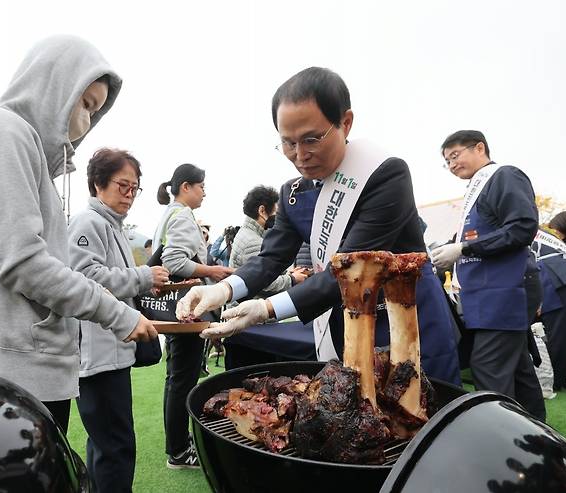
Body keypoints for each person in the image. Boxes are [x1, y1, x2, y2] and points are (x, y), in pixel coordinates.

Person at [177, 67, 461, 385]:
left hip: (405, 321)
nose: (300, 156)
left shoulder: (384, 176)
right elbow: (271, 259)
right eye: (288, 144)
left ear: (345, 122)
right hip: (346, 326)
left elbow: (347, 270)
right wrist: (222, 289)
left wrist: (265, 309)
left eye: (312, 139)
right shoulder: (294, 195)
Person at [0, 36, 158, 433]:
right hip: (9, 373)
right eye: (85, 104)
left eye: (95, 111)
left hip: (24, 367)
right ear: (54, 85)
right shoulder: (4, 133)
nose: (86, 121)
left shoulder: (24, 149)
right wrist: (116, 313)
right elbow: (23, 264)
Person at [67, 148, 169, 492]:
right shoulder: (88, 221)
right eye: (122, 185)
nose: (129, 195)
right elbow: (84, 277)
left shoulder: (112, 226)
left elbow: (112, 279)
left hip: (110, 352)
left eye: (134, 188)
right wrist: (142, 277)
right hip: (99, 356)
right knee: (116, 448)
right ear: (97, 183)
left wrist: (142, 284)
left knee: (106, 445)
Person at [431, 130, 546, 420]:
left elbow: (522, 226)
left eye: (455, 155)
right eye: (447, 161)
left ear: (479, 148)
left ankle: (499, 436)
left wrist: (464, 247)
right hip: (488, 292)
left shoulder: (502, 176)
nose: (452, 165)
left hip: (505, 288)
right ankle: (536, 433)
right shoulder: (476, 192)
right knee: (517, 367)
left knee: (487, 365)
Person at [154, 163, 234, 468]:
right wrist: (211, 270)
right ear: (185, 186)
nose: (204, 192)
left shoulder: (169, 213)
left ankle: (177, 445)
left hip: (174, 308)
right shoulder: (183, 216)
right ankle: (178, 451)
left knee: (176, 378)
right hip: (185, 308)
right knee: (182, 380)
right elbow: (175, 261)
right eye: (201, 186)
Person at [230, 185, 308, 295]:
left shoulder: (247, 233)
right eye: (276, 212)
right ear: (262, 211)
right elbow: (263, 282)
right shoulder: (252, 242)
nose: (278, 217)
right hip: (251, 309)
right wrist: (292, 279)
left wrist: (289, 273)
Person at [532, 228, 566, 391]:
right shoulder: (542, 233)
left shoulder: (515, 231)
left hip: (554, 279)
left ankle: (555, 381)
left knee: (557, 334)